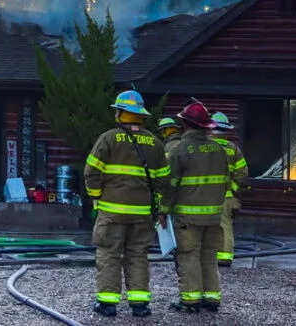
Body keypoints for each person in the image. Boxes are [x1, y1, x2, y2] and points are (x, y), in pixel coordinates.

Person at [84, 90, 173, 318]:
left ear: (121, 113)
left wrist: (96, 197)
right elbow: (164, 181)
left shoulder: (109, 138)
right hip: (142, 213)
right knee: (137, 255)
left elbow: (91, 172)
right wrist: (162, 208)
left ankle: (107, 304)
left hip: (111, 211)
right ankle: (140, 304)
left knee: (109, 253)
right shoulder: (155, 143)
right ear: (140, 115)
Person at [167, 101, 231, 313]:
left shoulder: (180, 149)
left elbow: (171, 185)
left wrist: (163, 210)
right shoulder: (219, 149)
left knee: (189, 256)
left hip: (188, 217)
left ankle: (191, 300)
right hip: (214, 216)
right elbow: (227, 181)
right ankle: (212, 298)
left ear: (185, 124)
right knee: (209, 256)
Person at [209, 111, 249, 267]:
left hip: (204, 195)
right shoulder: (233, 149)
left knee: (202, 226)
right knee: (225, 226)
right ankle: (225, 257)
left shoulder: (204, 146)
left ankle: (207, 255)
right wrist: (232, 188)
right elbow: (243, 172)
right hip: (225, 196)